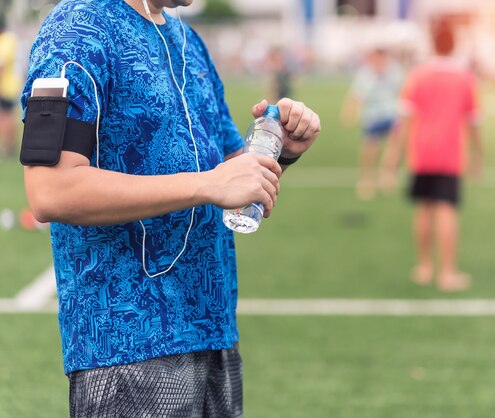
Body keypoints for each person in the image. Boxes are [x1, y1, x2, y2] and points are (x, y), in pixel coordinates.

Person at [20, 0, 320, 416]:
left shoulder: (189, 41)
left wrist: (280, 152)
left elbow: (232, 177)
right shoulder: (76, 30)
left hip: (211, 327)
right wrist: (207, 184)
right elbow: (51, 190)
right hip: (128, 342)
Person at [385, 22, 482, 292]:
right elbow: (474, 123)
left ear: (432, 43)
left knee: (423, 209)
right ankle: (448, 273)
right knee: (446, 209)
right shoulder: (465, 78)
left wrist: (392, 159)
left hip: (422, 153)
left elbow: (402, 121)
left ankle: (425, 267)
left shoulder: (418, 76)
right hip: (450, 155)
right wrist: (478, 155)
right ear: (454, 45)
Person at [341, 47, 403, 200]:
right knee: (370, 150)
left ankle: (387, 175)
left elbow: (400, 91)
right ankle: (366, 179)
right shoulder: (366, 74)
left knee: (395, 145)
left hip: (390, 113)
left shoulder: (394, 71)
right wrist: (349, 112)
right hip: (372, 116)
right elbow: (356, 95)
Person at [0, 21, 20, 158]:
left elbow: (2, 65)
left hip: (5, 86)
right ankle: (11, 147)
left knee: (5, 117)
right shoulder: (11, 39)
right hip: (12, 84)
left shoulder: (5, 40)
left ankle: (8, 148)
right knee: (9, 116)